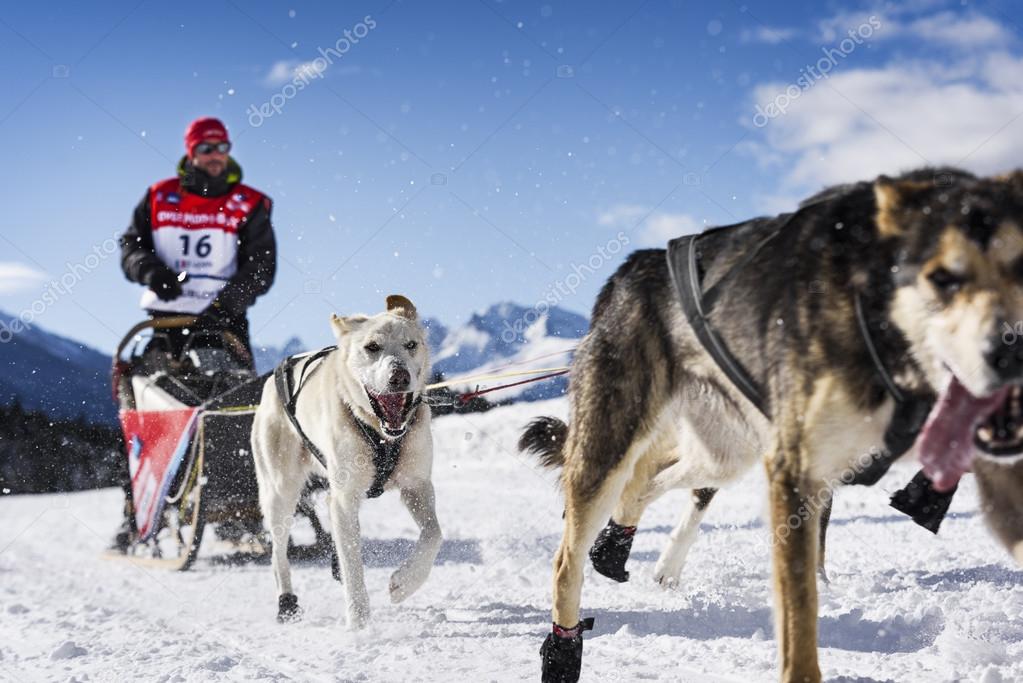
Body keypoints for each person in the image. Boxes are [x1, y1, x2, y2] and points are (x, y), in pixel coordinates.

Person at [110, 117, 277, 551]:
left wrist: (227, 304)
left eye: (221, 145)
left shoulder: (249, 203)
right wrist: (152, 272)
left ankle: (242, 513)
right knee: (146, 415)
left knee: (234, 414)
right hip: (164, 327)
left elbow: (261, 266)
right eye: (206, 148)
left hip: (222, 326)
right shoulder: (159, 196)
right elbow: (131, 247)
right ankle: (139, 515)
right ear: (191, 152)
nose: (215, 154)